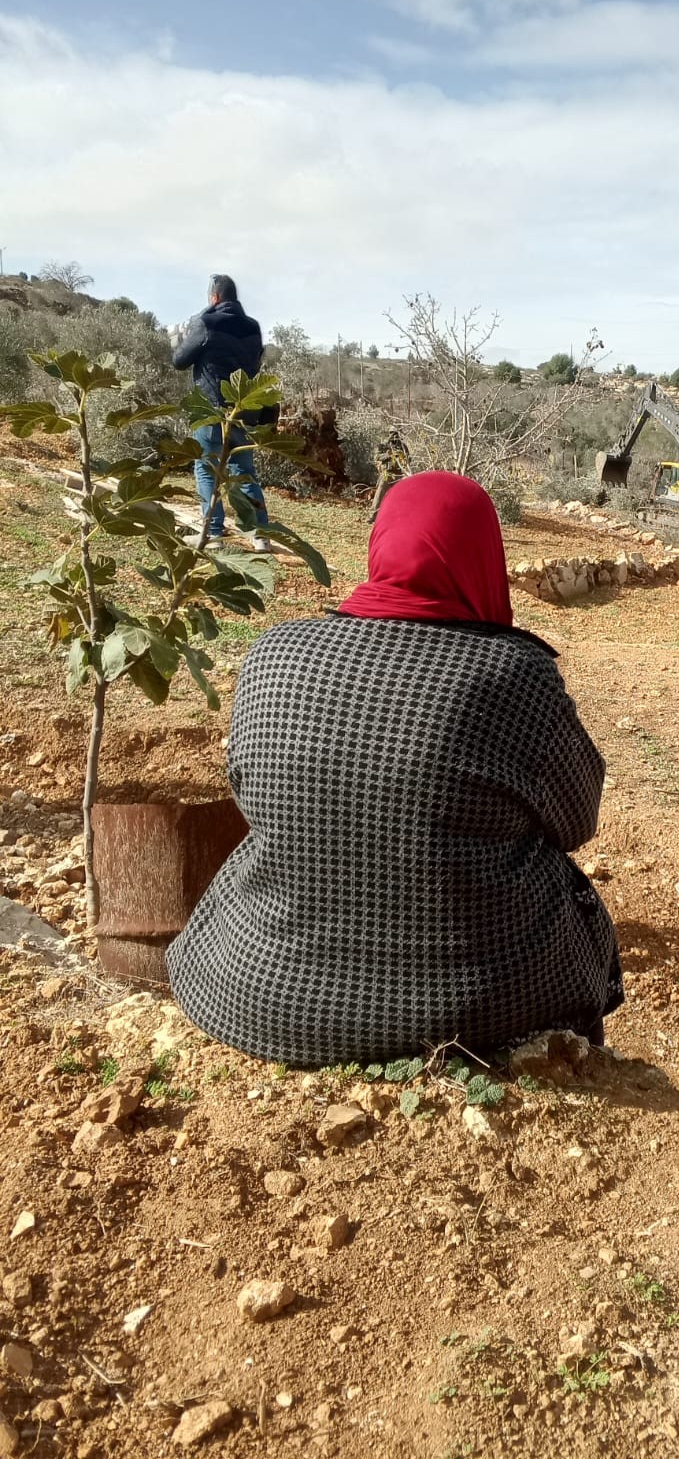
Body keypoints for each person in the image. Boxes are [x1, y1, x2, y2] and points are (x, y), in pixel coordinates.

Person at [167, 471, 623, 1067]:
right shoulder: (513, 677)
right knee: (570, 896)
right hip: (479, 1006)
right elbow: (576, 820)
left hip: (258, 987)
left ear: (380, 542)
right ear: (484, 553)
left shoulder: (274, 655)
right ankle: (574, 1059)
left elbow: (250, 793)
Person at [171, 274, 276, 551]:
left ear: (214, 297)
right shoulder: (253, 327)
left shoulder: (205, 323)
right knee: (244, 472)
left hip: (211, 409)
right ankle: (260, 535)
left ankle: (213, 533)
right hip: (243, 410)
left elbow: (179, 360)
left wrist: (190, 327)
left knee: (206, 467)